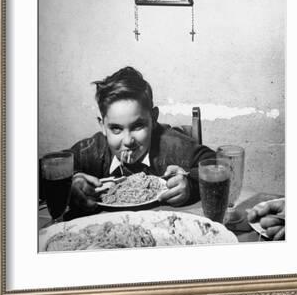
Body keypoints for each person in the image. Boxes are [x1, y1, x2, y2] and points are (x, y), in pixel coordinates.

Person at [69, 67, 214, 214]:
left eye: (137, 126)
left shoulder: (171, 145)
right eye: (116, 129)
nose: (127, 141)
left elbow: (219, 164)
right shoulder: (94, 149)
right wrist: (70, 184)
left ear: (153, 119)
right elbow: (48, 170)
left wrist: (191, 184)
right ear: (103, 126)